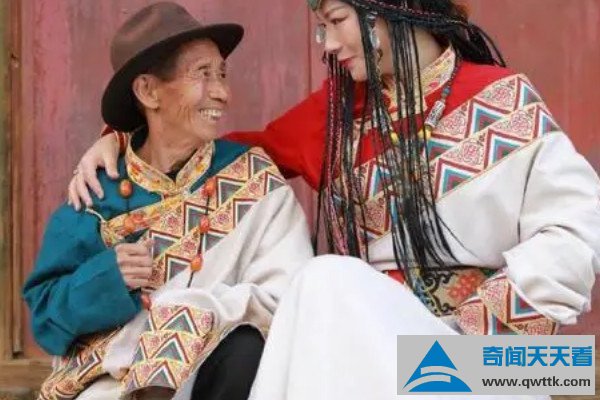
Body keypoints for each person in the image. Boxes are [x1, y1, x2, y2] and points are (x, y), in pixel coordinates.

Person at [69, 0, 600, 399]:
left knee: (325, 278)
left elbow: (578, 229)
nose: (326, 43)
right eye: (321, 27)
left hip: (487, 364)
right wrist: (126, 136)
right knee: (309, 296)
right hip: (378, 357)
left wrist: (470, 331)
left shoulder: (502, 98)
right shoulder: (338, 117)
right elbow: (223, 156)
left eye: (337, 20)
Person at [23, 3, 312, 400]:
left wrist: (190, 313)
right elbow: (46, 321)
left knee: (245, 349)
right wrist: (108, 279)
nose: (222, 93)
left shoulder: (254, 177)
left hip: (223, 376)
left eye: (222, 74)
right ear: (148, 91)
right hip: (110, 387)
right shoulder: (97, 195)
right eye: (203, 74)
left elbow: (288, 297)